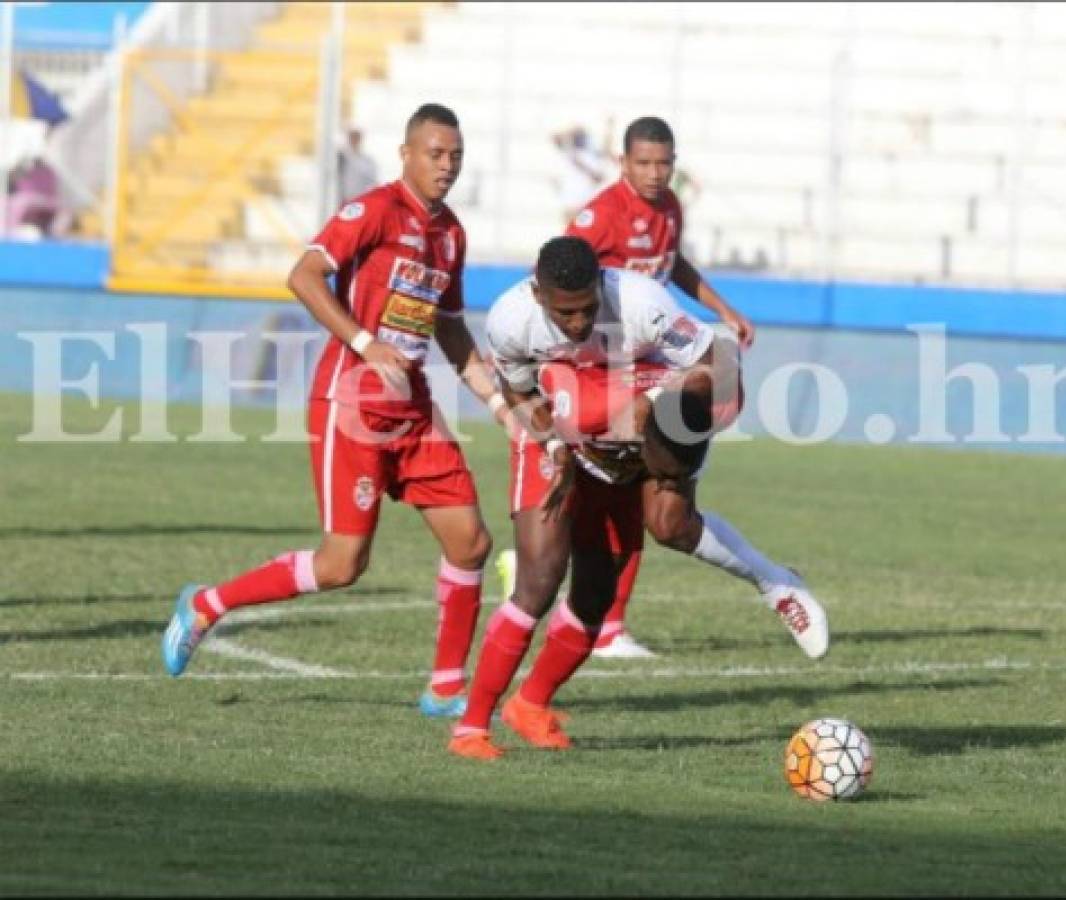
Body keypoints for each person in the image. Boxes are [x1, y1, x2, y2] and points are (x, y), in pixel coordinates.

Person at [161, 103, 513, 718]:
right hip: (350, 404)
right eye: (435, 153)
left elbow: (450, 328)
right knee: (341, 564)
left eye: (455, 155)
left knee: (471, 541)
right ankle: (207, 604)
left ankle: (446, 688)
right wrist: (364, 342)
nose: (447, 165)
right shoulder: (373, 211)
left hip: (412, 409)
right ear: (406, 154)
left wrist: (497, 402)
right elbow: (302, 276)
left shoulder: (451, 233)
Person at [446, 236, 828, 760]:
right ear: (538, 294)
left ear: (601, 285)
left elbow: (720, 364)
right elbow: (519, 391)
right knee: (539, 576)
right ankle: (471, 728)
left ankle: (530, 705)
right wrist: (556, 446)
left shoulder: (642, 304)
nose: (578, 323)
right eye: (565, 313)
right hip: (557, 428)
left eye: (586, 310)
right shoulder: (511, 320)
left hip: (627, 433)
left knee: (605, 587)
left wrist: (656, 409)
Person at [497, 116, 757, 659]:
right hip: (596, 363)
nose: (655, 173)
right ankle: (593, 615)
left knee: (649, 478)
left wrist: (722, 309)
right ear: (623, 163)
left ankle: (608, 624)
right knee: (623, 484)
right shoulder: (600, 216)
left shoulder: (669, 210)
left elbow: (672, 266)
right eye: (644, 162)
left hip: (644, 355)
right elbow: (554, 279)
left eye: (664, 163)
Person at [550, 123, 612, 229]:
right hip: (573, 204)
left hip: (586, 204)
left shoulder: (589, 154)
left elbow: (605, 150)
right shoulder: (570, 154)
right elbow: (555, 137)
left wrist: (609, 127)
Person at [337, 127, 380, 204]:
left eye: (356, 137)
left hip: (361, 201)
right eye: (352, 137)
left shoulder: (367, 161)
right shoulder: (341, 157)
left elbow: (373, 183)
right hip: (343, 200)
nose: (354, 140)